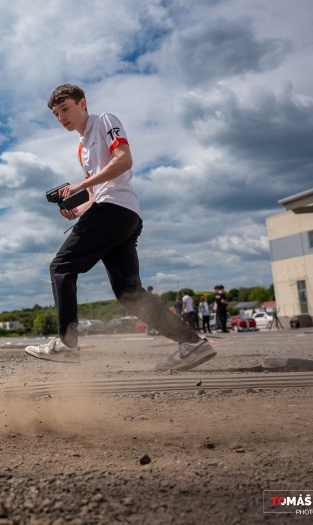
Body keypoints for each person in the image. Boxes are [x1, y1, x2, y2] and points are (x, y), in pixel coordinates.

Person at [25, 84, 216, 371]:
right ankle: (192, 344)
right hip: (116, 213)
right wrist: (78, 210)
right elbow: (95, 194)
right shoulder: (82, 148)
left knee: (61, 268)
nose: (61, 117)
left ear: (82, 103)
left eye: (65, 109)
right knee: (129, 292)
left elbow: (124, 160)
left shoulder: (104, 121)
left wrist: (81, 184)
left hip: (116, 209)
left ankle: (67, 345)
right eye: (56, 114)